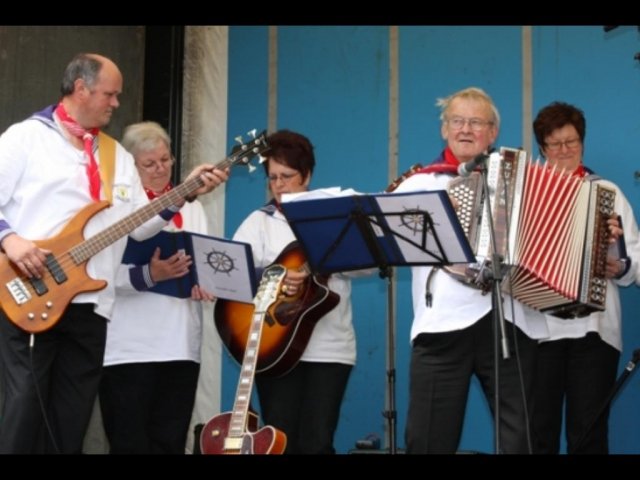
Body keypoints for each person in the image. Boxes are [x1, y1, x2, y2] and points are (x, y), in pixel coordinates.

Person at [0, 53, 227, 454]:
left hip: (92, 305)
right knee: (24, 407)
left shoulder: (117, 156)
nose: (116, 103)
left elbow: (139, 224)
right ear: (81, 89)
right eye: (110, 94)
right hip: (32, 293)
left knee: (72, 416)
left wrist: (183, 193)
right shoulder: (25, 138)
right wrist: (10, 238)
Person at [394, 87, 549, 454]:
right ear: (444, 129)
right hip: (443, 325)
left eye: (476, 122)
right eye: (457, 121)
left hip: (510, 322)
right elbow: (392, 245)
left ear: (492, 133)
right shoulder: (418, 185)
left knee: (522, 440)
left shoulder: (522, 182)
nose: (465, 129)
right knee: (428, 440)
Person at [232, 130, 359, 454]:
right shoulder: (258, 222)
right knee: (280, 440)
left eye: (287, 176)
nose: (279, 185)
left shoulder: (334, 216)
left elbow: (368, 266)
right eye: (273, 177)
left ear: (308, 175)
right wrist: (274, 277)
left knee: (318, 442)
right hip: (274, 347)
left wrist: (331, 260)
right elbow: (232, 273)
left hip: (330, 348)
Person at [98, 121, 214, 454]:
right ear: (130, 168)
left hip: (181, 345)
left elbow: (202, 259)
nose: (160, 169)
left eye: (165, 160)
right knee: (129, 443)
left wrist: (203, 283)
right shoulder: (116, 208)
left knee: (170, 442)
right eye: (149, 164)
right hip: (128, 348)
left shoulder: (193, 207)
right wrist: (150, 274)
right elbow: (100, 275)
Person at [530, 102, 639, 454]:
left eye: (572, 142)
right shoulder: (523, 196)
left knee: (588, 435)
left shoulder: (606, 192)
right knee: (536, 434)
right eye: (555, 144)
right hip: (536, 330)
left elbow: (636, 258)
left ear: (583, 143)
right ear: (542, 148)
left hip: (594, 332)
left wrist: (621, 268)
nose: (565, 150)